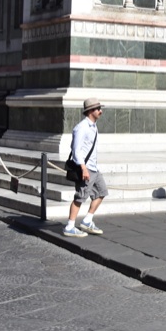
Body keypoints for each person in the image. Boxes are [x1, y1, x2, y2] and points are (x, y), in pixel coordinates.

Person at [63, 98, 108, 237]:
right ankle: (69, 226)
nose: (101, 111)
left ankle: (87, 220)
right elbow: (76, 150)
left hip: (94, 168)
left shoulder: (93, 126)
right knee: (80, 197)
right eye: (98, 108)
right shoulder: (81, 127)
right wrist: (83, 168)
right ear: (90, 111)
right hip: (86, 168)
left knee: (102, 192)